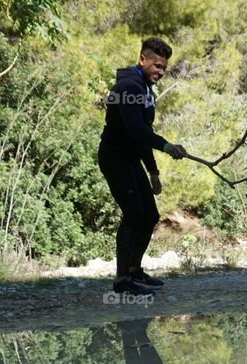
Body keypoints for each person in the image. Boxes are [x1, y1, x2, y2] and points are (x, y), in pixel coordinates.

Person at [99, 37, 188, 295]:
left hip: (130, 158)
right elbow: (135, 130)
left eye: (164, 68)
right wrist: (167, 146)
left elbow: (142, 134)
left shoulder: (144, 88)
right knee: (133, 212)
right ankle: (122, 281)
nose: (160, 72)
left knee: (149, 214)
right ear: (142, 60)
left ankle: (135, 272)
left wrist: (153, 172)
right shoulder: (128, 86)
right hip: (114, 158)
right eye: (156, 65)